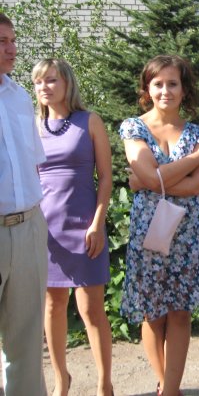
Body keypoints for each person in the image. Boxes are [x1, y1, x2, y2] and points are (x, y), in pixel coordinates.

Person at [120, 54, 199, 396]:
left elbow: (195, 187)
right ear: (147, 89)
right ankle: (166, 385)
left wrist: (149, 180)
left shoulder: (197, 132)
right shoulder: (134, 128)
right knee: (153, 313)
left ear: (184, 89)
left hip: (187, 234)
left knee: (180, 313)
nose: (165, 91)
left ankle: (171, 389)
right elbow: (151, 176)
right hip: (149, 233)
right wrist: (196, 158)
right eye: (158, 84)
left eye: (173, 83)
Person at [32, 58, 114, 396]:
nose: (44, 87)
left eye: (51, 80)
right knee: (52, 306)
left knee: (91, 310)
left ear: (67, 83)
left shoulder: (89, 121)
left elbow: (106, 177)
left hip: (85, 227)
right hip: (45, 229)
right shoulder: (33, 127)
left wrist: (97, 223)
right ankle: (61, 379)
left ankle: (104, 383)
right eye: (39, 82)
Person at [0, 13, 49, 395]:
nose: (12, 48)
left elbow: (34, 163)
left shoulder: (19, 97)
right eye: (2, 41)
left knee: (27, 340)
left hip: (29, 226)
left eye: (13, 40)